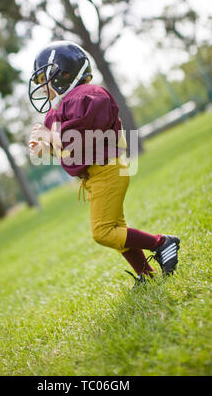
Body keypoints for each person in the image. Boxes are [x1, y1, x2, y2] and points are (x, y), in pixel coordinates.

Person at [28, 41, 180, 288]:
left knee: (103, 231)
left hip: (109, 169)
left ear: (62, 75)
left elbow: (80, 138)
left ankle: (162, 243)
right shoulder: (56, 111)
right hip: (96, 174)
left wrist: (51, 137)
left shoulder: (88, 96)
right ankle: (148, 274)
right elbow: (65, 149)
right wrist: (44, 148)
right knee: (116, 227)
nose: (42, 89)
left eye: (45, 80)